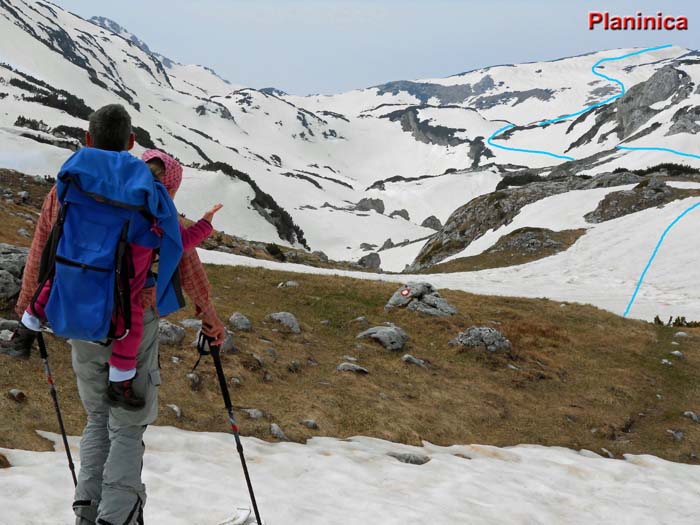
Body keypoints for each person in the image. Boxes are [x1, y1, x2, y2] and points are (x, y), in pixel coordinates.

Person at [4, 104, 227, 524]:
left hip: (77, 318)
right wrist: (208, 316)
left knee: (96, 419)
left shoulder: (67, 185)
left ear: (89, 141)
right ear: (130, 144)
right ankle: (118, 516)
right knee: (125, 422)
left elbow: (42, 249)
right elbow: (183, 257)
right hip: (131, 323)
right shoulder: (148, 190)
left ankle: (87, 512)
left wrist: (27, 313)